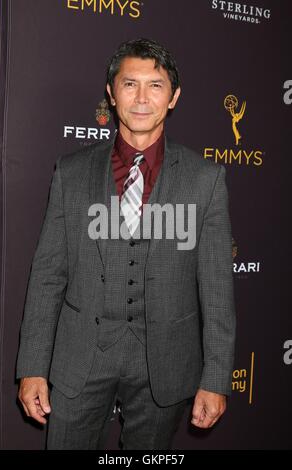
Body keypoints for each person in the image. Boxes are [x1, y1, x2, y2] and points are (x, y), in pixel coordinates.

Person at [16, 38, 236, 450]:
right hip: (81, 354)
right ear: (111, 93)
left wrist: (216, 378)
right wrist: (32, 366)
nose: (141, 98)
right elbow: (48, 276)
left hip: (165, 361)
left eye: (155, 85)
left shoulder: (206, 179)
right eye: (129, 84)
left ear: (173, 97)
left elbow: (218, 289)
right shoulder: (71, 172)